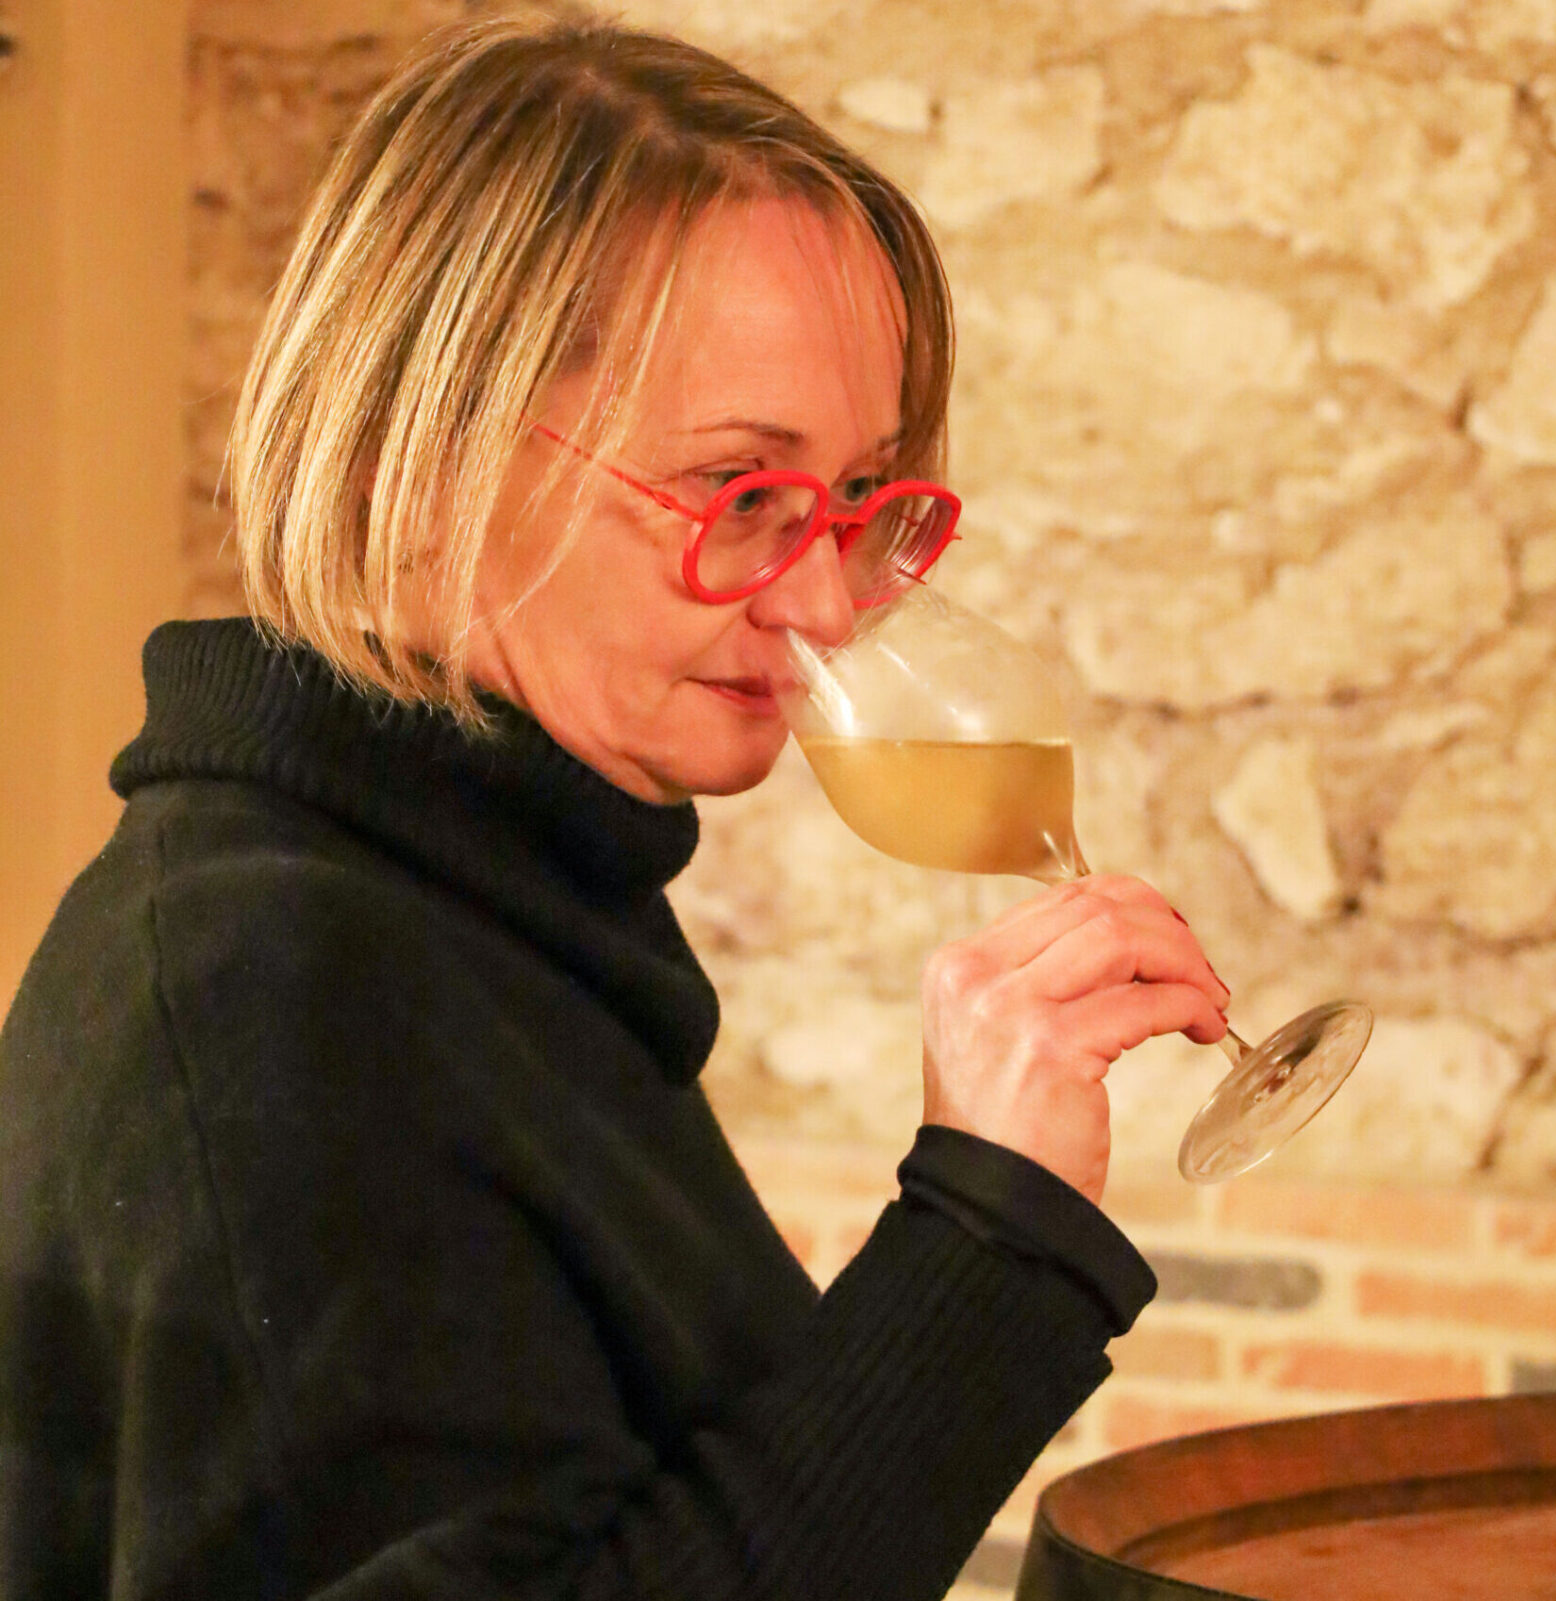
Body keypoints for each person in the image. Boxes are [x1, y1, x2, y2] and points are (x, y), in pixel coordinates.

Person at [0, 15, 1230, 1600]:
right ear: (415, 464)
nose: (824, 604)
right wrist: (985, 1230)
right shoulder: (272, 985)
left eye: (859, 502)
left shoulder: (490, 902)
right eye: (740, 492)